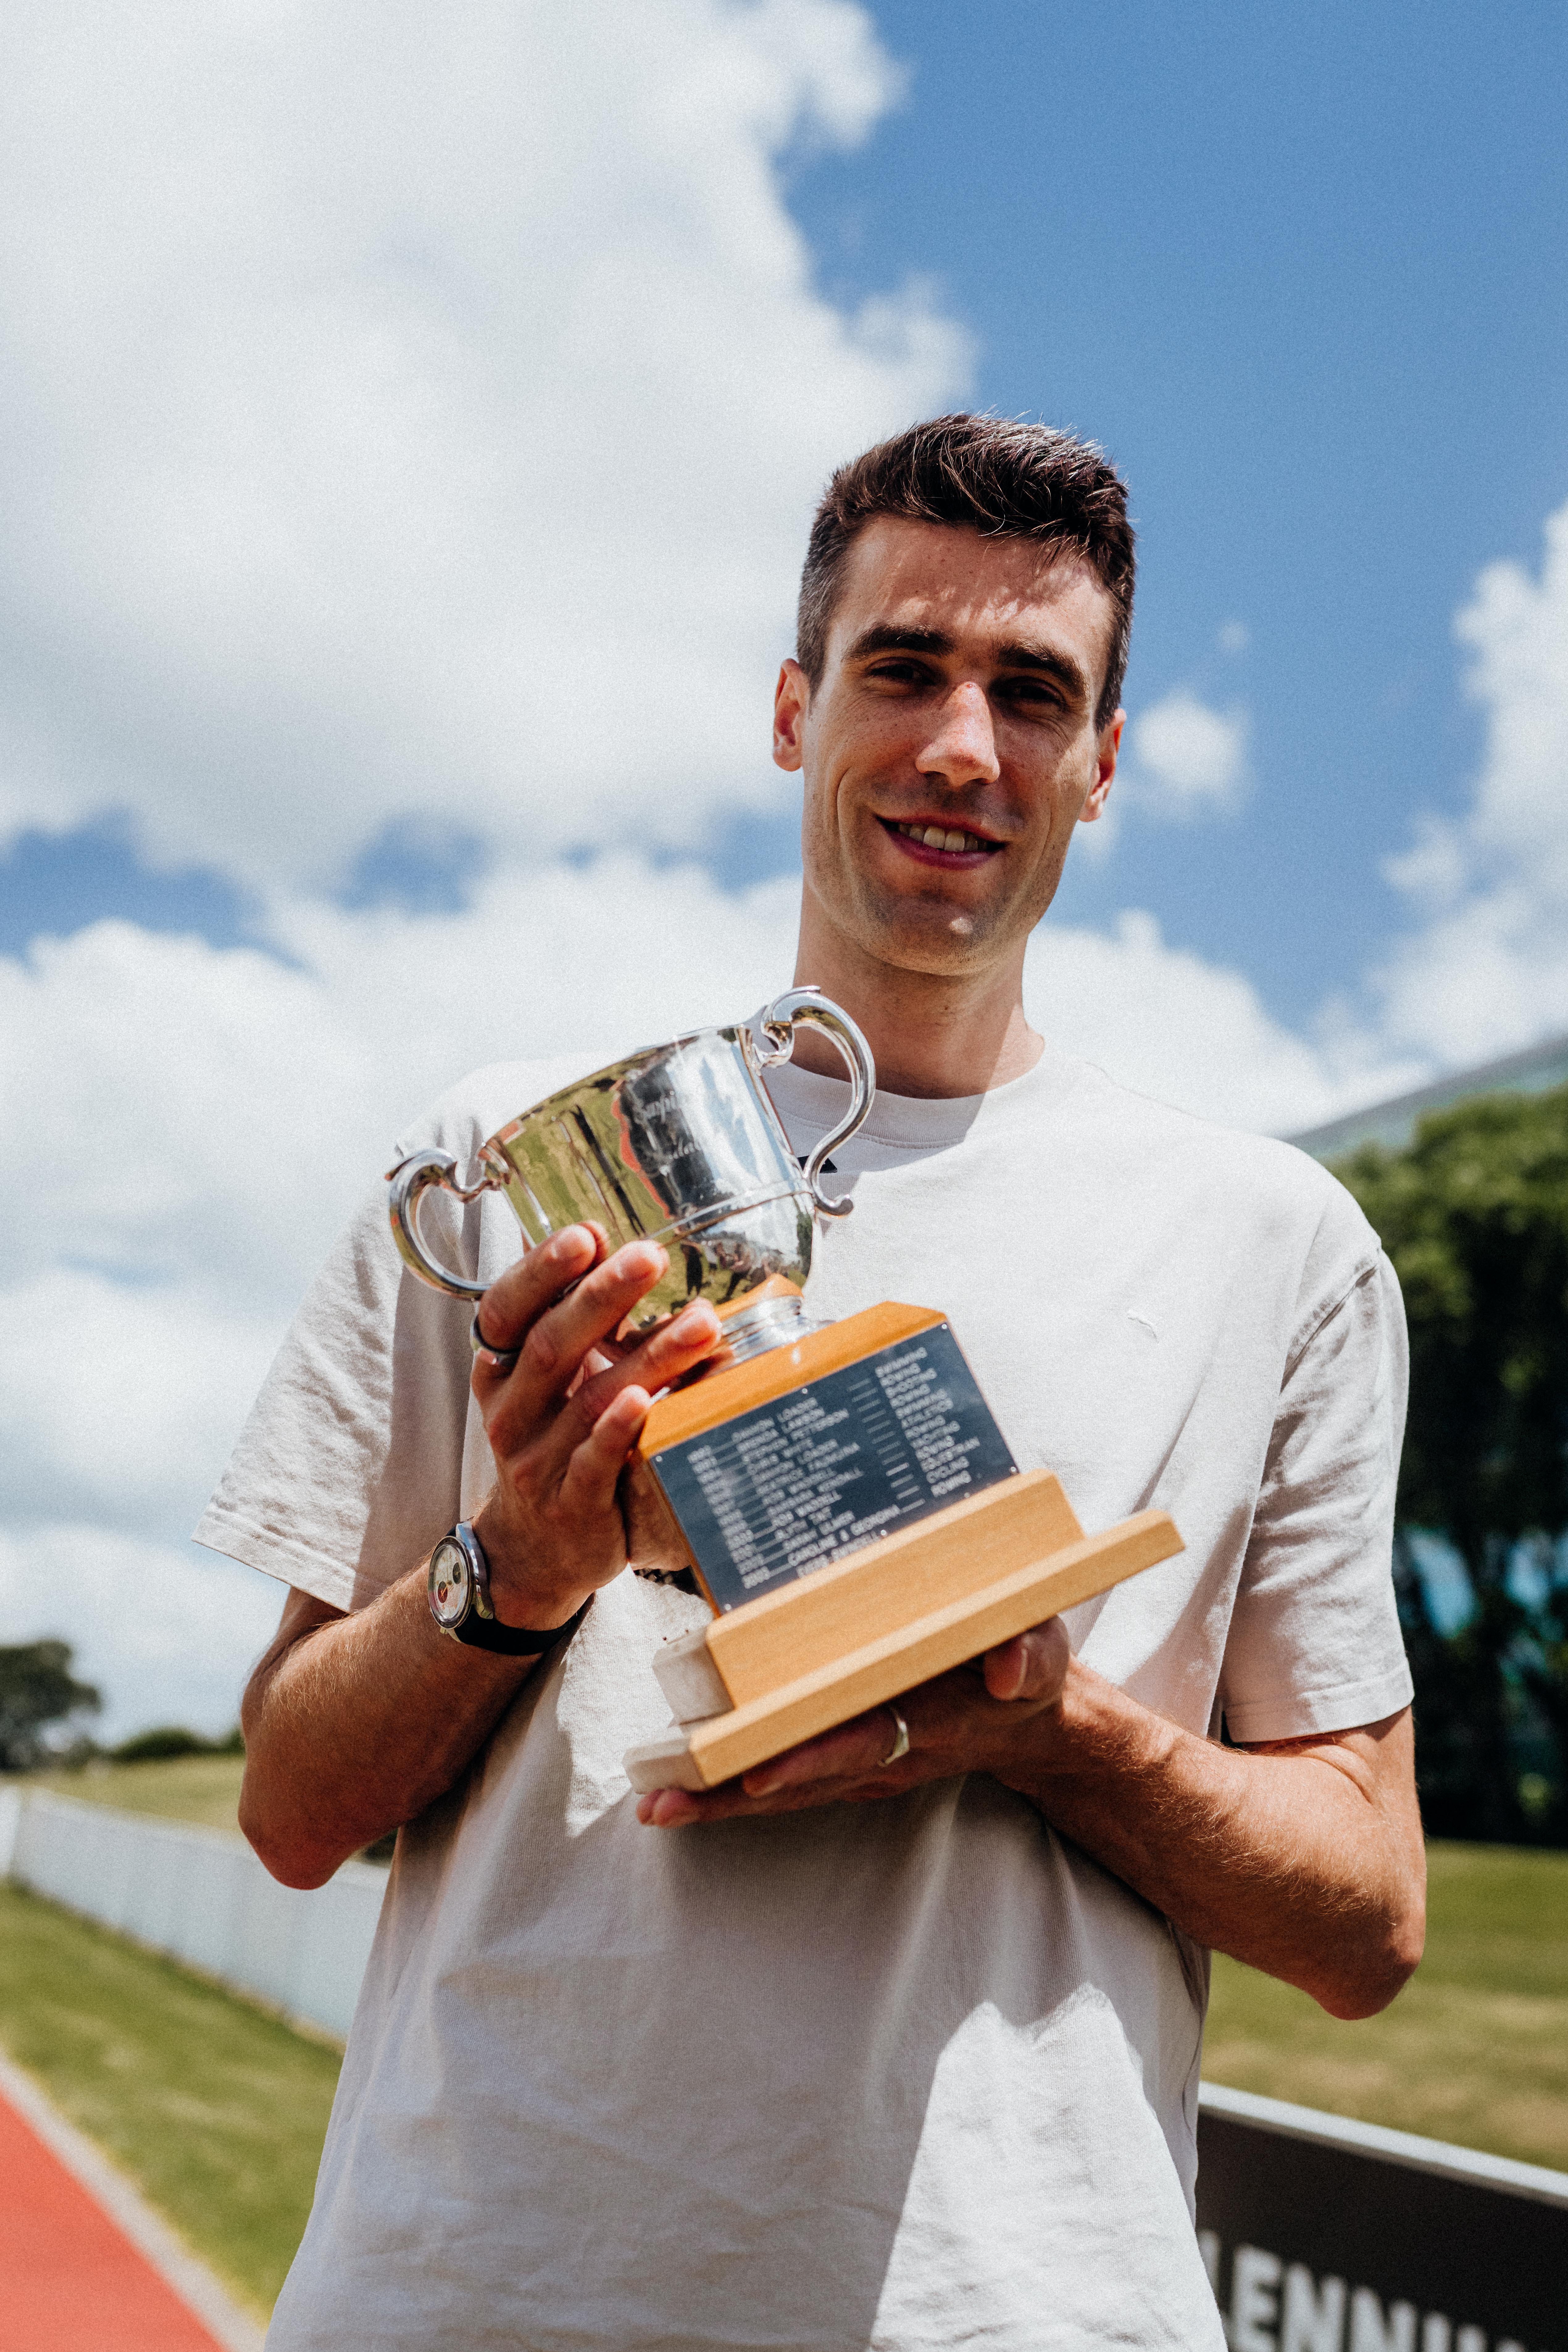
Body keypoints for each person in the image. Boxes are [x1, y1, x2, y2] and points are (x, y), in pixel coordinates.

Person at [204, 414, 1424, 2350]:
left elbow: (1365, 1916)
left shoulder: (1274, 1241)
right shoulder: (514, 1165)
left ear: (1100, 766)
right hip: (476, 2291)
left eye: (1033, 692)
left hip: (1017, 2310)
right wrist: (514, 1565)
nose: (962, 744)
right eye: (902, 667)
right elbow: (285, 1806)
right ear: (793, 709)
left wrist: (1045, 1725)